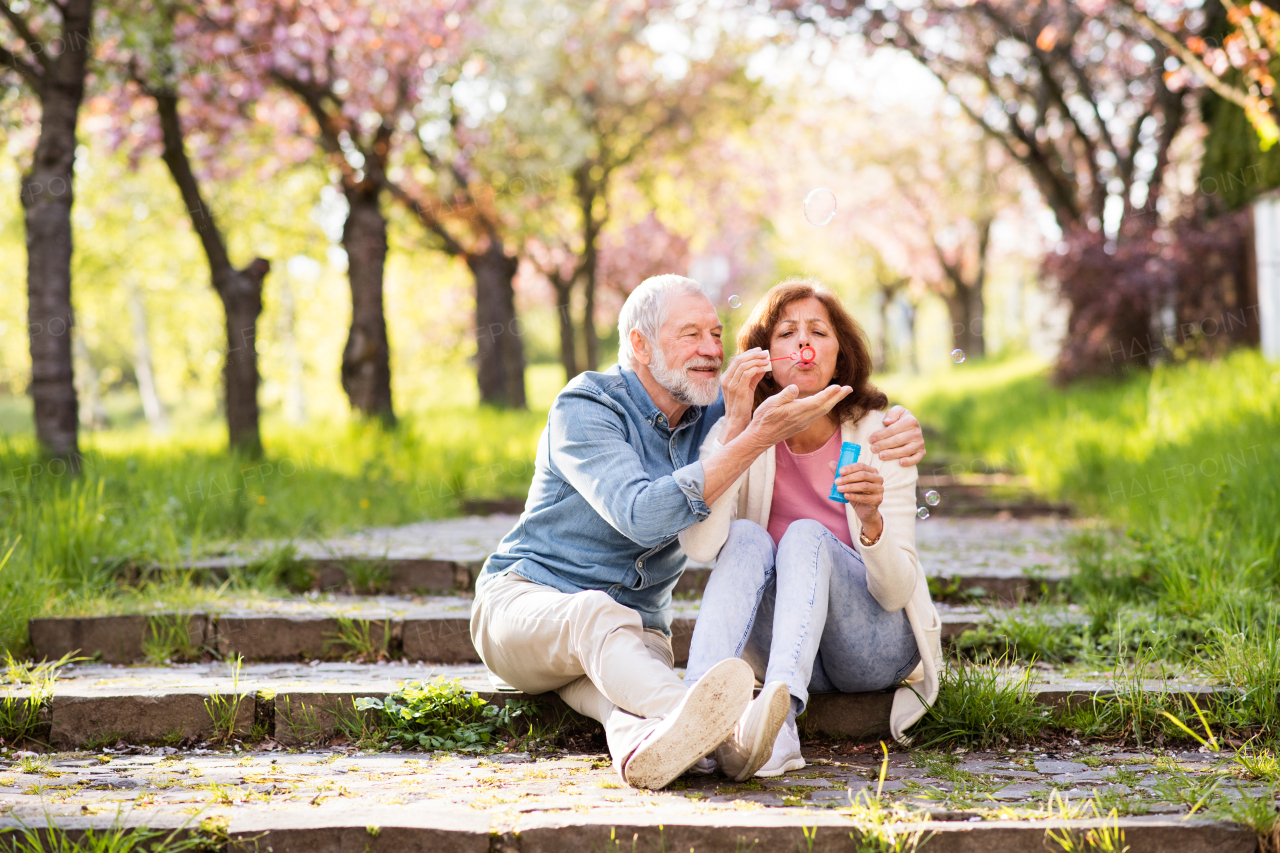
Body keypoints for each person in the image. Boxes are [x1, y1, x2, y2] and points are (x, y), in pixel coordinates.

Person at [469, 274, 927, 789]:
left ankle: (654, 752)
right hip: (526, 605)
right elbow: (641, 515)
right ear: (639, 344)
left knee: (620, 711)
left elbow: (784, 400)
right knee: (594, 616)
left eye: (715, 333)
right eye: (691, 335)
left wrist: (903, 421)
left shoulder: (718, 411)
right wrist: (747, 435)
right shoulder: (588, 406)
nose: (711, 349)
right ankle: (724, 726)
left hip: (637, 634)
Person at [680, 277, 942, 778]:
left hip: (869, 647)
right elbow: (700, 544)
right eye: (786, 332)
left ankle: (778, 728)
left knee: (803, 535)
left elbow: (896, 592)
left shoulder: (881, 435)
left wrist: (871, 523)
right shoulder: (736, 432)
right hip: (785, 645)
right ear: (763, 356)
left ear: (839, 354)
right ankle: (697, 715)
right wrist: (738, 432)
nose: (803, 343)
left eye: (818, 331)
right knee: (745, 536)